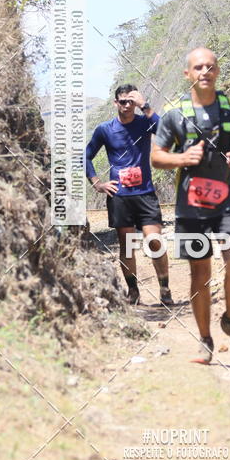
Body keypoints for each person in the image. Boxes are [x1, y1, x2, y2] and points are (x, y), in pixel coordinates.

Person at [152, 47, 230, 364]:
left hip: (228, 200)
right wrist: (182, 158)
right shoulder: (174, 113)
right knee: (200, 273)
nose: (205, 72)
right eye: (198, 67)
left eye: (210, 66)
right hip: (191, 205)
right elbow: (156, 156)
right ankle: (205, 340)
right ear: (188, 74)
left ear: (217, 71)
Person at [85, 84, 173, 307]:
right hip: (120, 196)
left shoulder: (144, 123)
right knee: (127, 246)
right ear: (116, 103)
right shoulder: (104, 129)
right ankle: (133, 291)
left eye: (131, 102)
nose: (126, 105)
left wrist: (145, 106)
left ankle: (165, 289)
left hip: (145, 193)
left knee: (154, 241)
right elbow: (85, 156)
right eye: (123, 101)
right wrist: (97, 183)